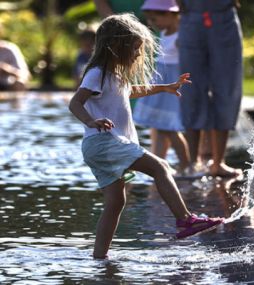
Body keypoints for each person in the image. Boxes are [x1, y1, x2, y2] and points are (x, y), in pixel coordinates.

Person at [68, 14, 223, 259]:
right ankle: (185, 220)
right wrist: (90, 121)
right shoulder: (97, 73)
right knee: (160, 166)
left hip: (100, 147)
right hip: (104, 141)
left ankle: (99, 257)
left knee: (115, 203)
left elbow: (133, 91)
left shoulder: (114, 75)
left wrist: (166, 87)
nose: (138, 56)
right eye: (135, 50)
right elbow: (75, 102)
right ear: (117, 46)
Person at [176, 0, 243, 177]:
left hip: (224, 19)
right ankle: (193, 163)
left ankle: (218, 162)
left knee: (227, 89)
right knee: (190, 89)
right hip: (191, 18)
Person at [133, 0, 192, 176]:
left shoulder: (182, 36)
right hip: (162, 80)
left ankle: (186, 165)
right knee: (160, 126)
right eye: (150, 20)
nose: (152, 24)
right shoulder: (165, 33)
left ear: (171, 14)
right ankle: (159, 164)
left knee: (169, 127)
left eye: (155, 19)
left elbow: (187, 61)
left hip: (171, 83)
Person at [0, 27, 30, 91]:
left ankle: (16, 100)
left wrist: (5, 69)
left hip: (6, 86)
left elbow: (24, 74)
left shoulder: (9, 49)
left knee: (20, 82)